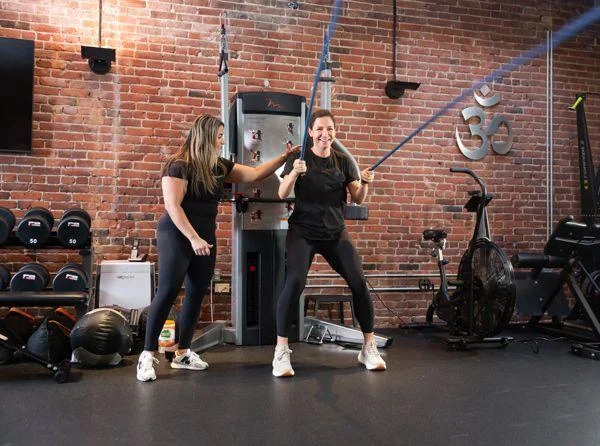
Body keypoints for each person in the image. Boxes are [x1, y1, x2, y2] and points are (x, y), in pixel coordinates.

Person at [137, 114, 298, 382]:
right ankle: (147, 355)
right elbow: (172, 207)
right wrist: (193, 238)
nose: (223, 141)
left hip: (203, 235)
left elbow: (256, 173)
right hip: (177, 234)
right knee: (167, 291)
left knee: (197, 292)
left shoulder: (218, 166)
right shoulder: (178, 165)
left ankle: (183, 353)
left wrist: (284, 158)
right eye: (220, 136)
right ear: (206, 136)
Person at [272, 108, 387, 377]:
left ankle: (368, 347)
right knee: (296, 282)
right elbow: (281, 193)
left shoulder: (343, 161)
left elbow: (357, 198)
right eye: (320, 129)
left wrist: (365, 182)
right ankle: (281, 351)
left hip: (335, 232)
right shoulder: (299, 159)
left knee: (358, 281)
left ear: (335, 133)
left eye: (330, 129)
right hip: (303, 232)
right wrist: (293, 174)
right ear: (311, 132)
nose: (326, 134)